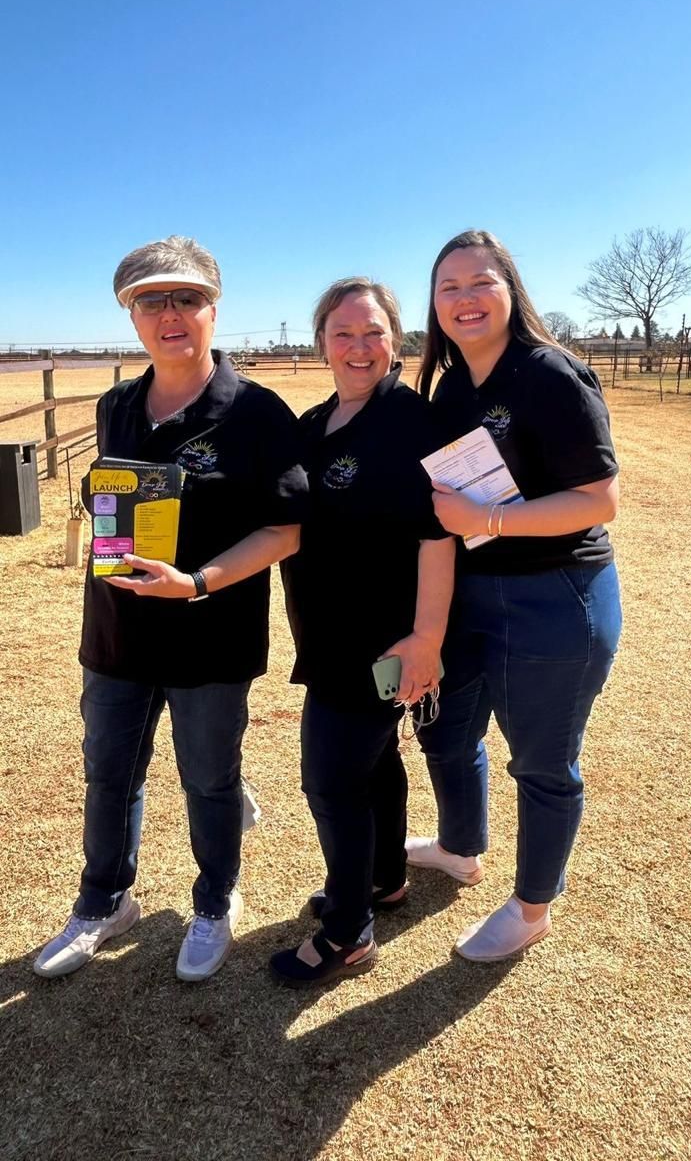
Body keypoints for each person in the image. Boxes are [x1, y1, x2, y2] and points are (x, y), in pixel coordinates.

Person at [34, 236, 307, 982]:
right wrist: (103, 503)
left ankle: (215, 901)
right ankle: (103, 901)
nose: (170, 315)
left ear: (214, 311)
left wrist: (197, 581)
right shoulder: (118, 403)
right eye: (151, 301)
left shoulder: (256, 412)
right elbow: (111, 494)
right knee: (109, 773)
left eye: (186, 298)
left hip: (210, 635)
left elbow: (285, 528)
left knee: (209, 777)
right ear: (132, 316)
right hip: (117, 632)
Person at [406, 230, 622, 962]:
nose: (465, 299)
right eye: (449, 288)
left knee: (541, 761)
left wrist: (490, 520)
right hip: (472, 589)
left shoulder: (551, 374)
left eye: (480, 282)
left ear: (510, 289)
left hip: (555, 597)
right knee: (443, 727)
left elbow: (599, 500)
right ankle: (461, 848)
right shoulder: (451, 385)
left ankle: (533, 907)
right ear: (434, 306)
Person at [270, 278, 456, 985]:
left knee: (332, 778)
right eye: (343, 333)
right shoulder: (314, 425)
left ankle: (348, 933)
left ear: (396, 341)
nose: (357, 346)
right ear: (321, 342)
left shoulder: (413, 423)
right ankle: (382, 881)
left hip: (383, 642)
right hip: (326, 634)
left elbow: (438, 536)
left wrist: (427, 639)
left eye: (372, 332)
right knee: (375, 764)